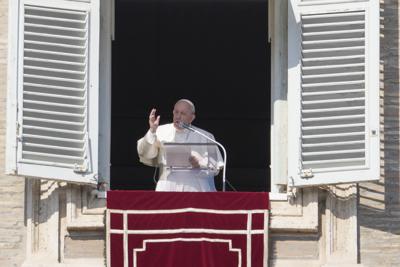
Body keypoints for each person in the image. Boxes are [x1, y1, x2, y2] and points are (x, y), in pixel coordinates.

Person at [137, 99, 224, 192]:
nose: (178, 116)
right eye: (176, 112)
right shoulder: (160, 131)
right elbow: (145, 154)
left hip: (196, 189)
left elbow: (214, 169)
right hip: (168, 187)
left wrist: (199, 165)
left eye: (183, 113)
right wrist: (152, 131)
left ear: (192, 117)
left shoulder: (205, 136)